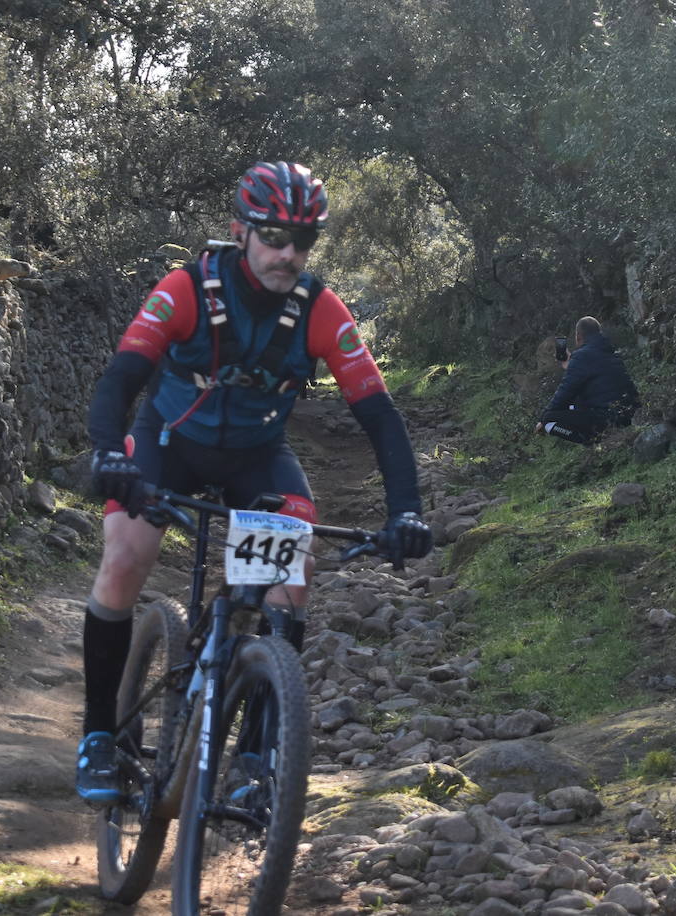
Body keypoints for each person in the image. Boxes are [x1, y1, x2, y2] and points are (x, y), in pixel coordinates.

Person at [75, 161, 433, 803]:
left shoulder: (321, 309)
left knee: (289, 583)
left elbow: (379, 416)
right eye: (274, 236)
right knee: (128, 556)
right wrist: (109, 455)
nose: (288, 253)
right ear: (241, 230)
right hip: (167, 444)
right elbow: (121, 379)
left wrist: (405, 511)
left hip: (256, 456)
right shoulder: (188, 288)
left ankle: (254, 764)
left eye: (304, 240)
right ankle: (99, 736)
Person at [535, 315, 640, 445]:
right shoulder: (609, 351)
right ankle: (598, 438)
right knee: (574, 404)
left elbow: (565, 392)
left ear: (578, 336)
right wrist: (569, 366)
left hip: (608, 418)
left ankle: (592, 442)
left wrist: (542, 420)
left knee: (549, 420)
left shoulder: (581, 357)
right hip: (629, 413)